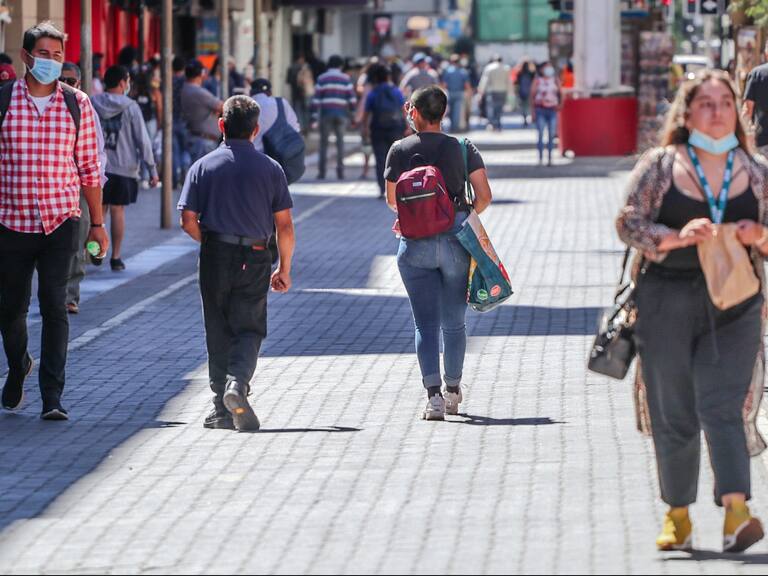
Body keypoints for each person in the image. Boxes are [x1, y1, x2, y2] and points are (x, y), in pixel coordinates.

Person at [616, 69, 767, 554]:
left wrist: (757, 236)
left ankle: (737, 513)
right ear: (686, 112)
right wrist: (676, 237)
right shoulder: (661, 164)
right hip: (666, 299)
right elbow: (628, 222)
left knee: (723, 404)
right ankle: (677, 515)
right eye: (706, 103)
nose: (717, 111)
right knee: (674, 407)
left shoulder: (756, 169)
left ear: (738, 112)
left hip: (737, 300)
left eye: (725, 102)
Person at [0, 21, 108, 420]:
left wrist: (98, 224)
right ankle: (17, 367)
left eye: (57, 55)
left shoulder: (77, 104)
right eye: (43, 54)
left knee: (54, 306)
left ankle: (52, 396)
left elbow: (90, 171)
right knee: (10, 309)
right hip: (10, 222)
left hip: (61, 221)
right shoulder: (4, 101)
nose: (50, 61)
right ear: (26, 57)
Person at [178, 95, 296, 431]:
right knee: (249, 327)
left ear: (221, 126)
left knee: (217, 327)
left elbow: (187, 219)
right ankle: (237, 385)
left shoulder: (203, 166)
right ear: (256, 130)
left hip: (215, 253)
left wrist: (211, 241)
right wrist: (284, 268)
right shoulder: (271, 169)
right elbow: (284, 225)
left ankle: (221, 407)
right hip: (256, 255)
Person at [384, 85, 493, 421]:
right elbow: (485, 195)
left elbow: (392, 201)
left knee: (424, 324)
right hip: (455, 242)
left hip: (414, 245)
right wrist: (461, 215)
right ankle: (453, 389)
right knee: (454, 323)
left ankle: (432, 397)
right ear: (443, 113)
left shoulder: (399, 149)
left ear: (414, 112)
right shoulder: (463, 148)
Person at [92, 65, 158, 271]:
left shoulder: (93, 102)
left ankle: (96, 251)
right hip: (124, 167)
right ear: (122, 83)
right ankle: (116, 256)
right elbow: (143, 141)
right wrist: (152, 169)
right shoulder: (131, 107)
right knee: (118, 210)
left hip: (97, 166)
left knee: (98, 211)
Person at [60, 62, 108, 315]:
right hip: (53, 187)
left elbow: (96, 154)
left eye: (71, 81)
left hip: (80, 187)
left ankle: (70, 295)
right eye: (62, 79)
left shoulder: (82, 106)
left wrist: (95, 189)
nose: (66, 84)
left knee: (78, 243)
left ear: (78, 83)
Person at [362, 63, 405, 198]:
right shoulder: (396, 91)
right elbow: (404, 110)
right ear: (388, 76)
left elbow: (366, 114)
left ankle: (383, 189)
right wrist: (408, 127)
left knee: (380, 160)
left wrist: (365, 129)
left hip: (378, 130)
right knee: (396, 160)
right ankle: (397, 189)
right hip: (395, 129)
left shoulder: (373, 93)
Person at [311, 54, 357, 180]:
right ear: (340, 65)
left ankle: (322, 172)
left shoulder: (322, 78)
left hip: (326, 114)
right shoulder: (345, 78)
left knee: (324, 144)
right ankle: (340, 171)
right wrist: (353, 116)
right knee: (340, 143)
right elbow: (352, 99)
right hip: (341, 114)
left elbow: (316, 100)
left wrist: (314, 117)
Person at [181, 58, 224, 163]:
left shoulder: (186, 88)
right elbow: (223, 106)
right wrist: (217, 110)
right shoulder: (197, 91)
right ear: (201, 73)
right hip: (203, 141)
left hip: (198, 138)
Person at [530, 61, 561, 166]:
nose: (549, 69)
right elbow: (532, 95)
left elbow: (561, 93)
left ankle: (550, 158)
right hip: (540, 110)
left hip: (552, 109)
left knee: (551, 134)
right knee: (540, 134)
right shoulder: (537, 80)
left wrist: (560, 104)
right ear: (541, 69)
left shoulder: (555, 80)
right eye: (546, 67)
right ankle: (540, 158)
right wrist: (532, 111)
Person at [742, 41, 768, 157]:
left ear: (766, 54)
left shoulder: (757, 73)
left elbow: (748, 109)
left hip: (763, 140)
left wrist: (742, 134)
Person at [478, 55, 512, 132]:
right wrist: (511, 93)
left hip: (492, 91)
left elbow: (484, 81)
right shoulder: (506, 68)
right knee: (499, 108)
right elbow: (509, 81)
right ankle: (498, 124)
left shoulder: (489, 68)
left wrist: (481, 92)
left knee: (491, 108)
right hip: (502, 91)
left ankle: (492, 124)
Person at [441, 54, 472, 133]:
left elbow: (444, 84)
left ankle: (452, 125)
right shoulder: (463, 72)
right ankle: (454, 127)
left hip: (450, 93)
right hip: (459, 93)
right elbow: (467, 85)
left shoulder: (448, 71)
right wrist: (469, 93)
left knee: (450, 110)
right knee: (457, 111)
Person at [171, 55, 189, 187]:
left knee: (174, 151)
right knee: (185, 150)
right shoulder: (187, 82)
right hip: (185, 120)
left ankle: (174, 178)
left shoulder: (169, 81)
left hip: (171, 120)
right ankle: (185, 175)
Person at [516, 59, 536, 127]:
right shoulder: (531, 73)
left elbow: (516, 83)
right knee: (530, 106)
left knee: (523, 106)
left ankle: (525, 119)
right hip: (530, 92)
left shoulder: (520, 73)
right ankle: (531, 117)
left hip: (522, 92)